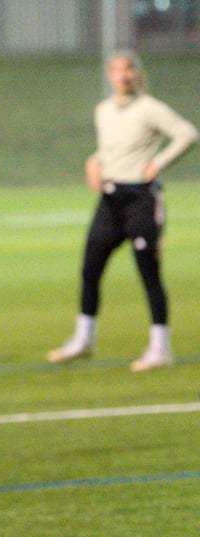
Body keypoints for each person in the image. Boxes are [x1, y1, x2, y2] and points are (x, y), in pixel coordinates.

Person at [48, 48, 197, 371]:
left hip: (141, 199)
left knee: (148, 272)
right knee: (90, 269)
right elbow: (109, 148)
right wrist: (95, 161)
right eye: (116, 69)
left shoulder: (149, 108)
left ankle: (161, 348)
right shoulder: (104, 110)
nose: (123, 74)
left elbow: (188, 134)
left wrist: (159, 162)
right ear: (110, 75)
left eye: (129, 68)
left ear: (137, 74)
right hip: (110, 200)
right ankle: (83, 340)